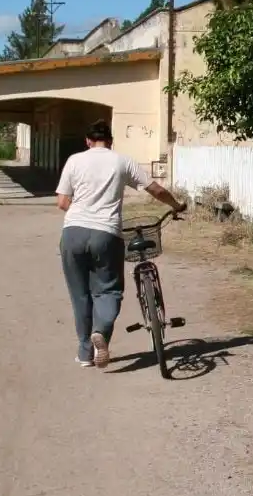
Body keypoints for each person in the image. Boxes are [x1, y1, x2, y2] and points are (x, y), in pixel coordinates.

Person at [56, 119, 185, 369]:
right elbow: (155, 189)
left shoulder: (74, 160)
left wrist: (83, 216)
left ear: (87, 141)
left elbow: (62, 202)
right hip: (106, 233)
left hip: (73, 232)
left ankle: (85, 354)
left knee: (80, 295)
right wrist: (176, 205)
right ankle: (101, 332)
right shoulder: (122, 161)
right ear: (111, 141)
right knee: (108, 290)